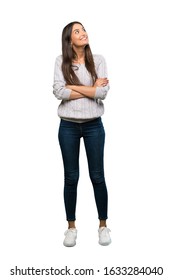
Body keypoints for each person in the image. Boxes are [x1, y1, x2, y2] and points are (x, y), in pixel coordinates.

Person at [53, 21, 111, 247]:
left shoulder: (98, 60)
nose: (83, 33)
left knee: (97, 176)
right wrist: (90, 89)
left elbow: (102, 92)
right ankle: (71, 227)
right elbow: (58, 92)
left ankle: (103, 225)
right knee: (71, 178)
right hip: (67, 126)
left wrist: (73, 87)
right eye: (77, 31)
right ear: (69, 40)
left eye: (83, 29)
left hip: (93, 125)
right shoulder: (60, 61)